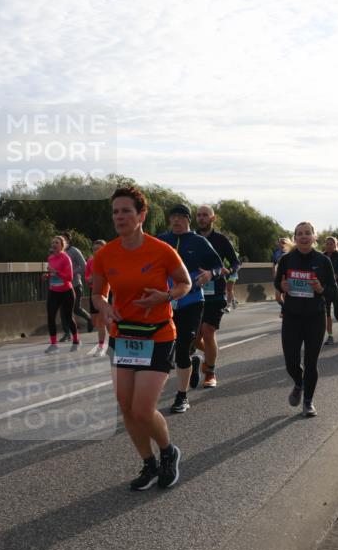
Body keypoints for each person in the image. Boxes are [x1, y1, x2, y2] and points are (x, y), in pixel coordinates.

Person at [90, 185, 190, 490]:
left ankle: (168, 451)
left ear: (141, 214)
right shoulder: (106, 254)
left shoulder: (161, 250)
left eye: (126, 211)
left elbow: (185, 283)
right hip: (124, 336)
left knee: (143, 408)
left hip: (157, 335)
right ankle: (149, 463)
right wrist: (105, 306)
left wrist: (166, 295)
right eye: (116, 212)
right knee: (126, 405)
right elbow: (96, 293)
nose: (119, 217)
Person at [157, 204, 223, 413]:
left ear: (188, 220)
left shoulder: (199, 241)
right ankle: (193, 363)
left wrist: (210, 274)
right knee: (166, 349)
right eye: (173, 217)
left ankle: (182, 396)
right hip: (166, 301)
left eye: (180, 217)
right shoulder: (161, 240)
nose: (176, 221)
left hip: (192, 300)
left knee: (183, 345)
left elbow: (219, 266)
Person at [274, 222, 337, 417]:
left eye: (307, 233)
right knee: (291, 362)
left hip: (314, 318)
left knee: (311, 363)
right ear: (295, 238)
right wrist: (282, 285)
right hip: (292, 317)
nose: (303, 237)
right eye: (299, 234)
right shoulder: (286, 260)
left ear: (314, 237)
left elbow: (333, 292)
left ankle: (308, 402)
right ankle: (298, 383)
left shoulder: (323, 261)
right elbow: (277, 282)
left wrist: (321, 290)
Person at [194, 204, 241, 388]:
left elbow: (236, 262)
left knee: (208, 330)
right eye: (199, 215)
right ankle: (207, 358)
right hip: (193, 292)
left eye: (205, 215)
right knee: (193, 337)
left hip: (216, 292)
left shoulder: (221, 240)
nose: (201, 218)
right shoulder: (191, 238)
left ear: (212, 218)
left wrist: (229, 271)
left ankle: (210, 372)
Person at [44, 235, 79, 353]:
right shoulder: (50, 258)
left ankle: (76, 340)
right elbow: (52, 273)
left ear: (62, 246)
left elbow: (69, 277)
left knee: (68, 317)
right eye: (53, 242)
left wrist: (56, 272)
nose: (54, 245)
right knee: (50, 317)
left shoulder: (66, 258)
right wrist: (47, 275)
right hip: (53, 291)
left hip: (66, 292)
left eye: (57, 243)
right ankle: (53, 345)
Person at [58, 231, 93, 341]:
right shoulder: (58, 253)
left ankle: (90, 319)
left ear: (68, 241)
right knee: (63, 310)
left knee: (76, 309)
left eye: (64, 239)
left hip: (75, 285)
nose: (61, 242)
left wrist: (72, 272)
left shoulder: (74, 251)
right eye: (60, 240)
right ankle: (67, 333)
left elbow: (85, 266)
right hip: (62, 286)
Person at [85, 240, 109, 357]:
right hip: (93, 292)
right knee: (96, 321)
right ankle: (110, 340)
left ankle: (102, 346)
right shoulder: (90, 261)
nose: (96, 251)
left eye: (99, 249)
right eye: (94, 249)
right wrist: (89, 279)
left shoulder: (109, 261)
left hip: (104, 293)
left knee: (102, 322)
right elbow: (87, 276)